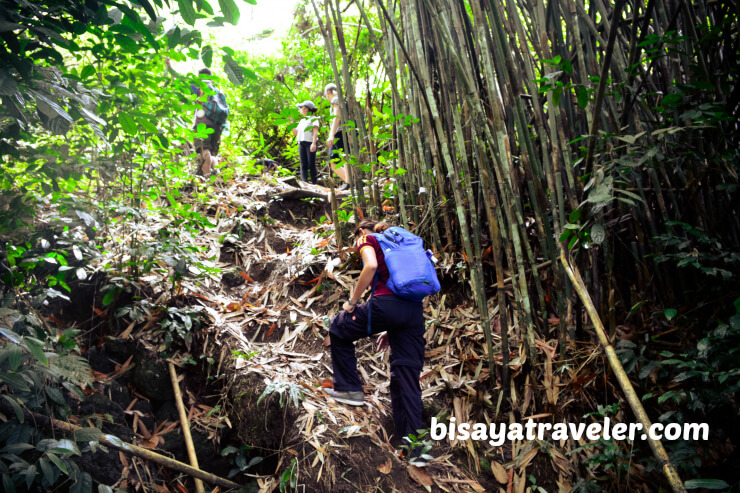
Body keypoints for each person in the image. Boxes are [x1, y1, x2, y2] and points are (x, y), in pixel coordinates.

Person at [326, 219, 426, 460]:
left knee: (338, 328)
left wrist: (351, 302)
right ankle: (416, 451)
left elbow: (370, 266)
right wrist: (390, 327)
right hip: (413, 312)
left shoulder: (368, 239)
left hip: (386, 305)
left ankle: (349, 390)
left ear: (360, 231)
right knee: (406, 374)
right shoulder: (399, 245)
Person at [165, 58, 226, 176]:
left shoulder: (197, 88)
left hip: (202, 124)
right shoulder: (217, 92)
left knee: (204, 151)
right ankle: (217, 176)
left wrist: (169, 66)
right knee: (212, 154)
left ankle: (206, 179)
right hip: (217, 126)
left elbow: (179, 80)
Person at [324, 83, 349, 189]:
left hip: (340, 132)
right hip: (337, 133)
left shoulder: (337, 99)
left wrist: (331, 135)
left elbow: (337, 118)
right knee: (333, 161)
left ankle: (349, 183)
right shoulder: (339, 100)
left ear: (328, 93)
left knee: (344, 158)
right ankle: (350, 182)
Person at [292, 101, 319, 184]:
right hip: (301, 143)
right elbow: (296, 133)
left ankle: (314, 183)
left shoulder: (313, 118)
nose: (300, 109)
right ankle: (305, 183)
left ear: (307, 109)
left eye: (302, 107)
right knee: (303, 164)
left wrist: (314, 143)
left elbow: (315, 132)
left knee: (311, 164)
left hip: (310, 142)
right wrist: (290, 122)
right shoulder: (302, 120)